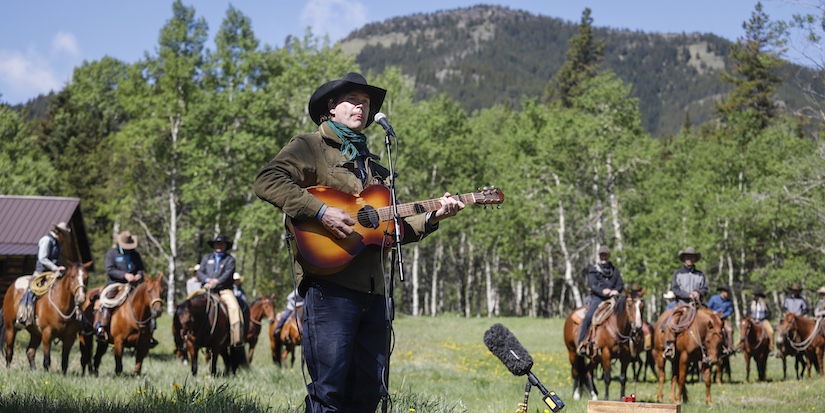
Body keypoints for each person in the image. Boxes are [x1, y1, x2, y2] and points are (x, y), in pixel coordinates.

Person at [253, 72, 465, 412]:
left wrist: (432, 217)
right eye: (353, 100)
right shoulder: (309, 146)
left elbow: (388, 231)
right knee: (329, 391)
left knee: (369, 391)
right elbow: (267, 180)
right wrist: (321, 211)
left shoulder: (375, 168)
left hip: (374, 294)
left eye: (365, 103)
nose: (361, 107)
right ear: (331, 108)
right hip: (329, 287)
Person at [95, 230, 148, 343]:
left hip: (133, 285)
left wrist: (139, 275)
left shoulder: (135, 255)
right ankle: (103, 327)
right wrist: (124, 275)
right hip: (115, 284)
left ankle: (148, 331)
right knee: (107, 301)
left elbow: (141, 268)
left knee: (147, 301)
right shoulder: (112, 254)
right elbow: (110, 269)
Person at [16, 222, 71, 328]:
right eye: (64, 236)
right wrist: (56, 268)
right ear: (60, 233)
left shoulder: (58, 243)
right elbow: (42, 258)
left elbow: (57, 259)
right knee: (33, 290)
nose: (64, 239)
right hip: (41, 272)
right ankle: (25, 315)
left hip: (53, 273)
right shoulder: (47, 240)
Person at [196, 234, 245, 348]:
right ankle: (184, 335)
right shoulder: (207, 258)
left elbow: (228, 274)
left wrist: (216, 282)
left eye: (221, 243)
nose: (218, 245)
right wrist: (207, 280)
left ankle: (236, 338)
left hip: (224, 290)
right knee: (189, 303)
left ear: (225, 246)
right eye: (217, 243)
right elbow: (199, 272)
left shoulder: (230, 259)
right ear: (213, 245)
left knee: (235, 308)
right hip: (206, 289)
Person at [577, 245, 624, 356]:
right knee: (589, 317)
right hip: (598, 298)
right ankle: (582, 342)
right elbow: (593, 286)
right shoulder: (593, 270)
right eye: (602, 255)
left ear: (608, 256)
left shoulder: (614, 270)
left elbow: (620, 284)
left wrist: (615, 291)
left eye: (605, 255)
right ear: (598, 256)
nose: (604, 257)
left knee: (627, 313)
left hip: (613, 298)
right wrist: (604, 291)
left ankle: (629, 343)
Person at [662, 247, 708, 358]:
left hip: (697, 306)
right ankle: (670, 346)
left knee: (713, 322)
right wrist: (688, 295)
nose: (689, 259)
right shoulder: (677, 273)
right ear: (684, 259)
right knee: (670, 322)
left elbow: (705, 289)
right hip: (681, 305)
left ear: (694, 259)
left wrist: (698, 292)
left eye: (691, 257)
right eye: (687, 257)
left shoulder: (700, 274)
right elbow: (675, 289)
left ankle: (712, 349)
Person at [746, 288, 774, 356]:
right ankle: (741, 345)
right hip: (753, 321)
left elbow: (769, 313)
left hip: (762, 320)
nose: (756, 297)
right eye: (755, 295)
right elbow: (747, 313)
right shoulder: (750, 304)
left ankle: (771, 347)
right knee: (744, 330)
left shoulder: (765, 304)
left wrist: (764, 317)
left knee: (770, 331)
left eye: (757, 296)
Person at [707, 284, 734, 354]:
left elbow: (730, 310)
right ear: (722, 292)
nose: (727, 294)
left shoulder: (729, 301)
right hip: (713, 320)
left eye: (728, 292)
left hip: (723, 320)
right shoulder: (713, 298)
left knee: (729, 330)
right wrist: (713, 313)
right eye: (726, 292)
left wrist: (724, 315)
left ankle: (730, 347)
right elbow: (708, 308)